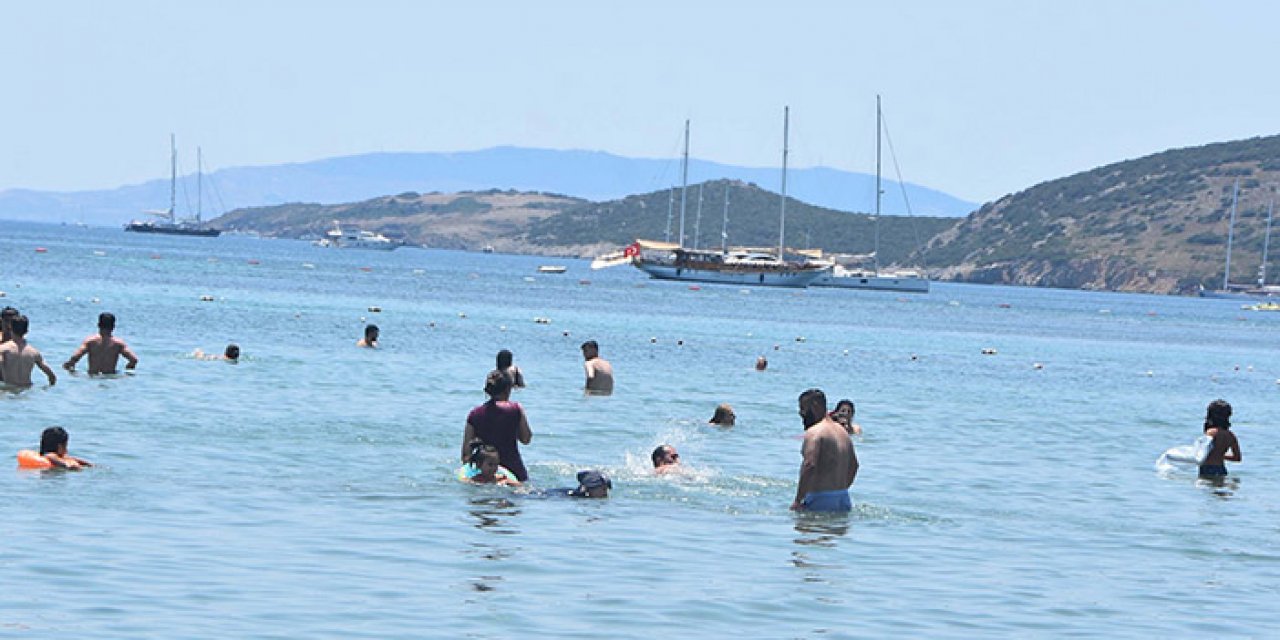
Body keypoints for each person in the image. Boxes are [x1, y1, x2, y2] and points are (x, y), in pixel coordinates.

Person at [791, 388, 858, 512]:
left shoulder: (814, 433)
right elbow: (854, 465)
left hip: (820, 499)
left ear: (815, 406)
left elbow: (809, 465)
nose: (802, 415)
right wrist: (840, 489)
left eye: (803, 410)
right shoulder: (841, 432)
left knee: (805, 529)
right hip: (843, 498)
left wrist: (798, 500)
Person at [462, 370, 532, 481]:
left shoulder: (475, 414)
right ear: (508, 389)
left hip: (484, 473)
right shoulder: (516, 409)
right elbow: (526, 439)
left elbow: (466, 454)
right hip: (514, 472)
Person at [63, 312, 139, 374]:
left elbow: (75, 357)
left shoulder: (90, 341)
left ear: (98, 325)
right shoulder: (118, 344)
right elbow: (134, 359)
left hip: (93, 376)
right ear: (113, 326)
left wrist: (69, 367)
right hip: (110, 377)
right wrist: (129, 368)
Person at [0, 315, 57, 387]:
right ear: (26, 331)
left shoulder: (3, 349)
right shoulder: (34, 352)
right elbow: (52, 376)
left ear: (10, 328)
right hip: (27, 390)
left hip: (8, 389)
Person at [1199, 399, 1242, 478]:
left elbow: (1201, 452)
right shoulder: (1231, 435)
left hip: (1207, 469)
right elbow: (1237, 458)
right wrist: (1220, 455)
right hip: (1221, 469)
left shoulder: (1210, 432)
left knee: (1207, 488)